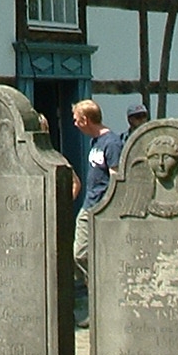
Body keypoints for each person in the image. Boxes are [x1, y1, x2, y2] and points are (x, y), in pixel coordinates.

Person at [71, 99, 124, 325]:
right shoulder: (96, 142)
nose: (74, 123)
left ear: (86, 120)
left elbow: (115, 179)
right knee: (81, 254)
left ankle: (103, 304)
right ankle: (97, 304)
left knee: (83, 253)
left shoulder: (111, 143)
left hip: (100, 208)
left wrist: (108, 209)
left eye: (76, 119)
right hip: (89, 205)